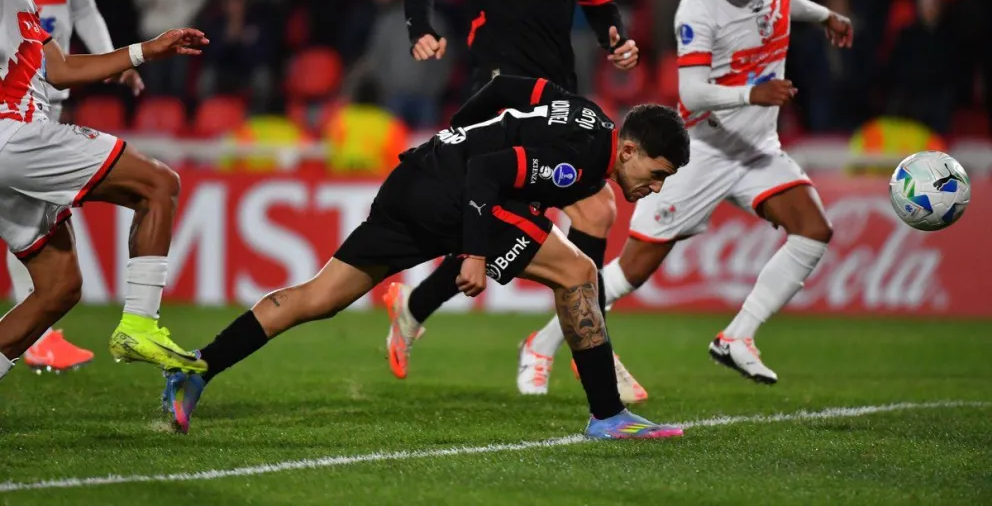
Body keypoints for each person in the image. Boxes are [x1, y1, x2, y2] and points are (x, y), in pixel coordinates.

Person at [161, 75, 690, 439]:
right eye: (657, 174)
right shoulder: (582, 161)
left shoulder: (588, 115)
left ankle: (198, 369)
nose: (656, 187)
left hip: (416, 178)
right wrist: (475, 253)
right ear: (629, 151)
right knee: (577, 271)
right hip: (451, 192)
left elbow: (506, 88)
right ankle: (607, 415)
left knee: (319, 298)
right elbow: (487, 172)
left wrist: (454, 130)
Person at [518, 0, 854, 389]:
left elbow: (784, 2)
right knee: (631, 271)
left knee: (813, 228)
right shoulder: (699, 5)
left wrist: (826, 17)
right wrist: (752, 94)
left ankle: (738, 336)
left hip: (757, 147)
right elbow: (692, 93)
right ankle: (542, 342)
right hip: (702, 152)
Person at [396, 0, 647, 403]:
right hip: (499, 97)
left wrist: (617, 41)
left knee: (533, 225)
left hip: (558, 100)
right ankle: (590, 349)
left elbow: (602, 8)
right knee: (590, 210)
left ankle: (416, 304)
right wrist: (420, 29)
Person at [0, 0, 210, 384]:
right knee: (158, 184)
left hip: (13, 149)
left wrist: (145, 50)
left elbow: (61, 68)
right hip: (15, 136)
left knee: (58, 288)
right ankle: (139, 325)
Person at [0, 0, 144, 373]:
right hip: (12, 113)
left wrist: (122, 59)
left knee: (44, 244)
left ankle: (39, 331)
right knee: (152, 185)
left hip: (43, 96)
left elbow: (82, 8)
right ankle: (49, 332)